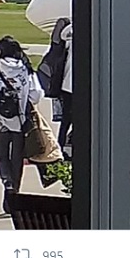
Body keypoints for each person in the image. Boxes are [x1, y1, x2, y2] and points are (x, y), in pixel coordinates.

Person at [0, 36, 44, 213]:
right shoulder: (25, 68)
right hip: (20, 122)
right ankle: (14, 193)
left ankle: (7, 183)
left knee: (2, 157)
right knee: (17, 160)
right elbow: (36, 94)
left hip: (0, 122)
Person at [58, 23, 73, 159]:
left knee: (66, 119)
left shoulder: (69, 39)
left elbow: (63, 35)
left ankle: (60, 146)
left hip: (66, 86)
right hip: (74, 86)